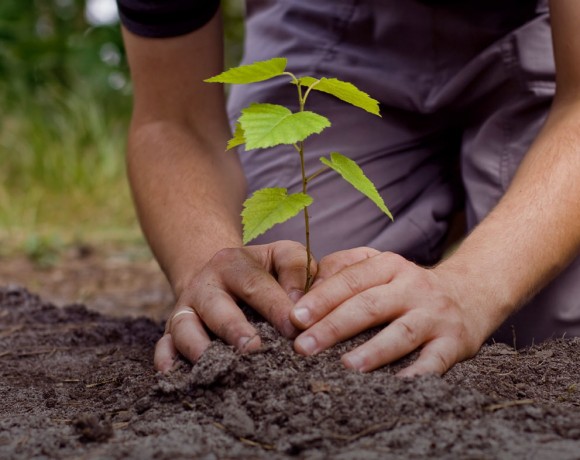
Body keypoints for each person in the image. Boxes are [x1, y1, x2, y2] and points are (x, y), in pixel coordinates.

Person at [116, 0, 580, 376]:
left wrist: (471, 286)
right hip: (327, 21)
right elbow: (172, 119)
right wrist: (206, 264)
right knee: (301, 299)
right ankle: (445, 192)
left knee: (554, 316)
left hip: (543, 27)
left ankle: (465, 200)